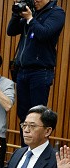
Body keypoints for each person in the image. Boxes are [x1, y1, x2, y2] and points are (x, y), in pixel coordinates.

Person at [7, 0, 65, 137]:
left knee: (38, 115)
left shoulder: (56, 12)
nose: (34, 1)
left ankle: (38, 152)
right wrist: (16, 14)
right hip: (22, 71)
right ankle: (25, 151)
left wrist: (30, 18)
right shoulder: (32, 12)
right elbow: (11, 31)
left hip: (40, 71)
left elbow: (44, 34)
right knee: (23, 115)